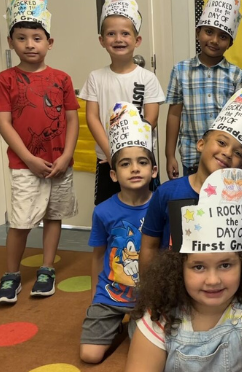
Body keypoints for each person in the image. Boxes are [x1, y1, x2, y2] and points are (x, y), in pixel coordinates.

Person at [125, 168, 242, 372]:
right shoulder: (159, 313)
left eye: (225, 265)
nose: (212, 280)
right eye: (198, 267)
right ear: (178, 268)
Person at [0, 0, 79, 304]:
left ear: (49, 42)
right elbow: (3, 122)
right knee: (21, 220)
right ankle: (11, 273)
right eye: (22, 37)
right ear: (12, 41)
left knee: (53, 216)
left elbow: (71, 119)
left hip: (58, 164)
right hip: (25, 166)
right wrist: (27, 158)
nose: (30, 44)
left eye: (37, 37)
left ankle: (46, 268)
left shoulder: (63, 79)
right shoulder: (5, 80)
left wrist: (67, 155)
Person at [140, 85, 242, 273]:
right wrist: (147, 295)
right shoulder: (167, 193)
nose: (227, 153)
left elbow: (241, 256)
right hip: (170, 290)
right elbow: (149, 246)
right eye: (222, 142)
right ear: (201, 144)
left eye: (238, 153)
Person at [78, 102, 156, 363]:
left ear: (153, 170)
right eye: (125, 164)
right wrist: (93, 299)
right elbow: (97, 256)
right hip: (109, 294)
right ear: (113, 174)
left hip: (148, 297)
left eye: (142, 162)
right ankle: (113, 320)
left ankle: (134, 323)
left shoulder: (162, 206)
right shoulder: (103, 211)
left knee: (144, 356)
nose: (135, 168)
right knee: (89, 355)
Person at [79, 0, 165, 205]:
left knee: (148, 212)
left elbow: (151, 119)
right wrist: (112, 153)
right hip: (107, 160)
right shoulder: (95, 78)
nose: (118, 39)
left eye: (125, 33)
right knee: (108, 211)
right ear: (102, 40)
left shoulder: (147, 78)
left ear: (137, 40)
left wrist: (128, 152)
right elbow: (92, 118)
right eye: (111, 34)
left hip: (141, 160)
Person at [165, 0, 242, 180]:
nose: (214, 40)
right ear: (198, 32)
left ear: (230, 43)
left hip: (226, 159)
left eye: (222, 36)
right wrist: (169, 155)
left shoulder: (237, 75)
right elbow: (174, 115)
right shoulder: (180, 70)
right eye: (209, 31)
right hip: (192, 157)